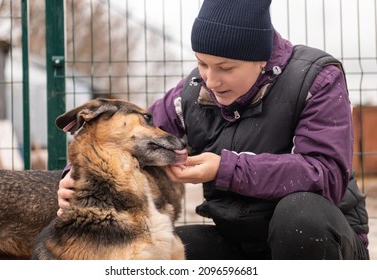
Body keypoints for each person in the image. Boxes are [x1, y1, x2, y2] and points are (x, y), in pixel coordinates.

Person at [58, 0, 369, 260]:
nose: (210, 79)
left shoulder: (316, 80)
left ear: (260, 58)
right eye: (202, 63)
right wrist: (76, 176)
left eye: (225, 68)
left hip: (323, 241)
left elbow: (324, 174)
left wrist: (226, 168)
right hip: (240, 242)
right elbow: (137, 135)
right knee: (162, 248)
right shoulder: (191, 94)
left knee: (299, 216)